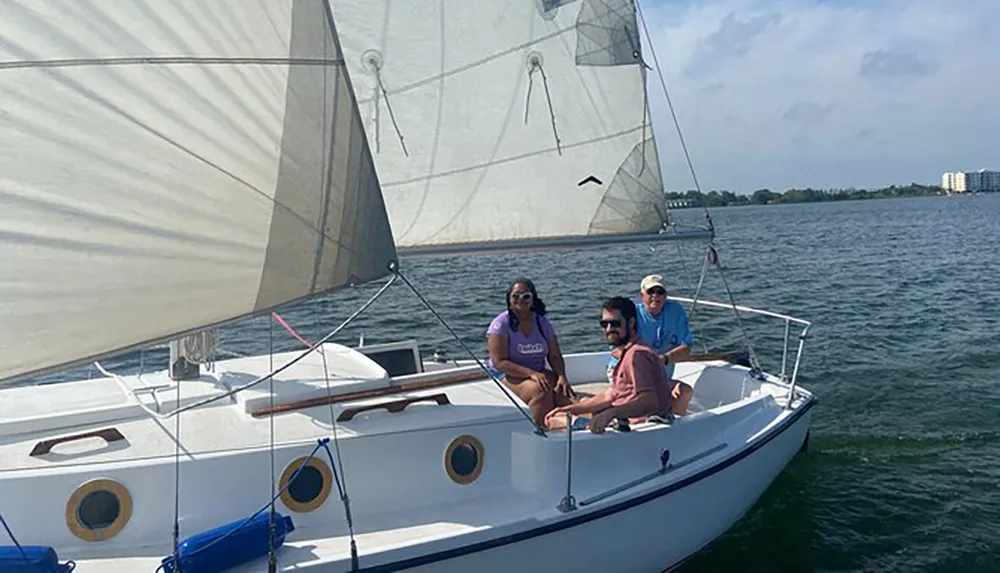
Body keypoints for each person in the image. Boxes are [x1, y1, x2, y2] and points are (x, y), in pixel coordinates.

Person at [545, 296, 673, 433]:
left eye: (615, 324)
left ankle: (587, 426)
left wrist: (611, 413)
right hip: (621, 414)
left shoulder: (637, 355)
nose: (609, 329)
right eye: (604, 324)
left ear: (631, 323)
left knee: (554, 420)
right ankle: (583, 422)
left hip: (634, 425)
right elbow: (611, 395)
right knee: (557, 414)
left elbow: (649, 403)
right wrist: (572, 409)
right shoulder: (628, 352)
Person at [486, 278, 574, 427]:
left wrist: (561, 376)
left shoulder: (542, 321)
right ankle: (537, 428)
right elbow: (499, 362)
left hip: (537, 372)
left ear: (533, 298)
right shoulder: (501, 324)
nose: (521, 300)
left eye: (525, 296)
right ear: (509, 299)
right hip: (505, 375)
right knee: (540, 391)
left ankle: (580, 423)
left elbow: (554, 355)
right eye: (515, 296)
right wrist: (530, 374)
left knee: (562, 391)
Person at [606, 274, 695, 415]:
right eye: (650, 292)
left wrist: (664, 359)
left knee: (685, 391)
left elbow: (687, 347)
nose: (655, 296)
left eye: (660, 292)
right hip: (631, 373)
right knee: (648, 402)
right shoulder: (632, 314)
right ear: (642, 295)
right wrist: (646, 362)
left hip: (661, 375)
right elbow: (615, 350)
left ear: (665, 295)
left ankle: (674, 425)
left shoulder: (676, 311)